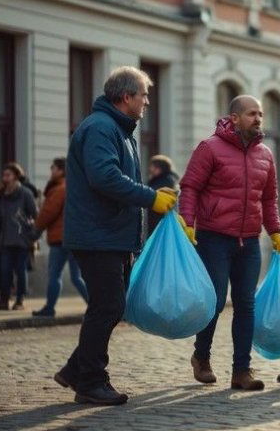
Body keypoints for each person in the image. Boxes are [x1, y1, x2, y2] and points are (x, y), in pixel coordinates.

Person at [54, 66, 178, 406]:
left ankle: (75, 370)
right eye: (143, 95)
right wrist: (151, 197)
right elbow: (104, 177)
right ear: (126, 97)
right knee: (107, 306)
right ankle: (91, 381)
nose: (147, 102)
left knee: (111, 306)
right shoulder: (101, 128)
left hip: (110, 235)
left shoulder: (119, 129)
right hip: (97, 236)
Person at [179, 95, 280, 391]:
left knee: (246, 304)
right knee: (213, 302)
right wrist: (187, 224)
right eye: (252, 113)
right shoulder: (209, 148)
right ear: (235, 117)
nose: (258, 119)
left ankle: (241, 371)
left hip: (250, 241)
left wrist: (275, 231)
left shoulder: (265, 154)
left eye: (261, 114)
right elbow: (190, 187)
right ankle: (201, 356)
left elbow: (269, 198)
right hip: (214, 237)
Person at [32, 158, 89, 317]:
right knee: (76, 277)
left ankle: (49, 308)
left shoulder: (60, 188)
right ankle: (94, 307)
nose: (51, 171)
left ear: (61, 170)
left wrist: (37, 228)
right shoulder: (74, 185)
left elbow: (48, 212)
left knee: (54, 275)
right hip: (75, 238)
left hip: (60, 239)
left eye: (53, 168)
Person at [0, 163, 37, 311]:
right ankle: (4, 300)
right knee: (4, 270)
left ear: (16, 176)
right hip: (5, 239)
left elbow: (35, 215)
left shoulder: (25, 193)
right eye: (4, 175)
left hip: (22, 240)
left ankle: (20, 301)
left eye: (8, 175)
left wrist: (30, 235)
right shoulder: (2, 195)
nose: (4, 178)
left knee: (21, 271)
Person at [146, 154, 179, 234]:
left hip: (160, 219)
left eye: (153, 166)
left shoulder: (165, 180)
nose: (150, 169)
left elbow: (154, 194)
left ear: (159, 167)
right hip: (158, 218)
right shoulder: (165, 179)